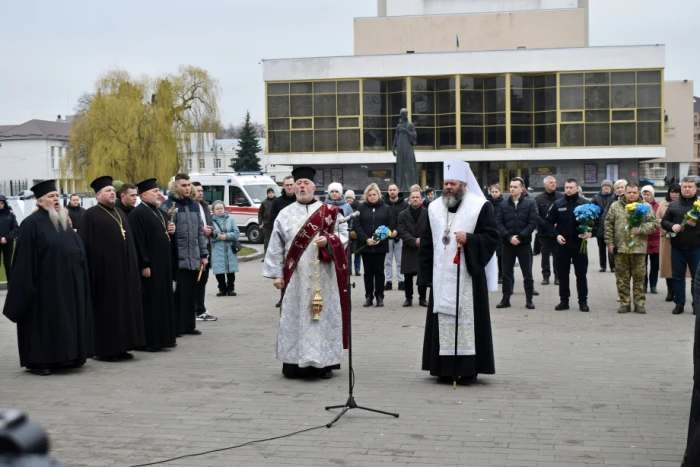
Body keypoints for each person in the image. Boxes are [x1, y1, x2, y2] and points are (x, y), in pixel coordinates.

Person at [263, 166, 349, 379]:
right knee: (296, 317)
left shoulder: (329, 212)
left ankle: (323, 363)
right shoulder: (285, 213)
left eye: (306, 184)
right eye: (298, 183)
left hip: (324, 277)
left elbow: (343, 235)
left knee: (321, 318)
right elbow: (275, 245)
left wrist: (329, 241)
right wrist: (277, 274)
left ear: (314, 187)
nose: (302, 187)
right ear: (294, 187)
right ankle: (293, 363)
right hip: (296, 278)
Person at [2, 180, 93, 375]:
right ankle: (40, 361)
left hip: (68, 285)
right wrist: (29, 287)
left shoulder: (61, 222)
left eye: (57, 196)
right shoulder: (31, 225)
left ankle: (67, 357)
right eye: (51, 197)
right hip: (44, 289)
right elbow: (24, 261)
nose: (56, 200)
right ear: (40, 202)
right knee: (45, 325)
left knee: (66, 323)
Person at [419, 160, 498, 384]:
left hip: (468, 278)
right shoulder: (434, 208)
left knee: (469, 322)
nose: (448, 187)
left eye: (453, 183)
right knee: (441, 321)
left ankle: (468, 369)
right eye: (446, 183)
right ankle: (443, 369)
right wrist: (424, 276)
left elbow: (492, 237)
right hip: (441, 276)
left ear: (464, 185)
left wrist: (471, 239)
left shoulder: (480, 206)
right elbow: (426, 242)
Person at [78, 175, 144, 361]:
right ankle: (107, 350)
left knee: (124, 311)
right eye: (108, 191)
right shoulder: (90, 215)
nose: (112, 194)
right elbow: (85, 246)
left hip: (125, 274)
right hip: (104, 276)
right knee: (109, 312)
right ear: (98, 195)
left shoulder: (120, 213)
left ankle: (123, 346)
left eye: (113, 191)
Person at [128, 178, 178, 351]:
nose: (158, 194)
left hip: (163, 266)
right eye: (155, 191)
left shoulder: (160, 212)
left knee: (164, 302)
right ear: (144, 195)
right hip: (151, 268)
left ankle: (165, 338)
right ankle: (150, 341)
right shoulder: (137, 214)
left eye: (158, 190)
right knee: (151, 303)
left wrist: (172, 232)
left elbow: (165, 237)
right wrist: (144, 264)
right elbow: (138, 242)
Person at [162, 174, 209, 334]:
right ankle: (177, 326)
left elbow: (199, 233)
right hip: (178, 258)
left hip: (194, 258)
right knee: (179, 294)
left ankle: (190, 325)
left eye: (189, 185)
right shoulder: (169, 205)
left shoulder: (195, 206)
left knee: (191, 293)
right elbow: (165, 233)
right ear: (175, 187)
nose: (187, 188)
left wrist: (203, 254)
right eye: (183, 185)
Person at [604, 182, 659, 314]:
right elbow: (608, 224)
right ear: (625, 192)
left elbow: (654, 223)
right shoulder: (615, 206)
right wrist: (610, 243)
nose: (632, 195)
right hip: (621, 248)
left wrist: (641, 229)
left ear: (638, 192)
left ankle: (639, 303)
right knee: (622, 278)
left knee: (639, 278)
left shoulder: (645, 207)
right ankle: (625, 303)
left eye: (634, 192)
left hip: (638, 249)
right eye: (629, 192)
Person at [545, 178, 591, 312]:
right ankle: (563, 301)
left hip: (579, 244)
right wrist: (556, 235)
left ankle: (583, 301)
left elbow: (597, 222)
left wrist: (590, 232)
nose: (568, 190)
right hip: (562, 245)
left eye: (571, 187)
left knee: (581, 274)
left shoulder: (584, 204)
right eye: (566, 187)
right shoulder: (558, 204)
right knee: (563, 275)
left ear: (577, 188)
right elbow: (548, 222)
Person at [495, 177, 537, 310]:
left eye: (515, 187)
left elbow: (532, 223)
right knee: (506, 274)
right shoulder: (503, 204)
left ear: (522, 188)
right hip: (507, 244)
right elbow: (499, 223)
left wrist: (520, 236)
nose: (512, 189)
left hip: (523, 244)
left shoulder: (529, 204)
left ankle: (529, 300)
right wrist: (508, 237)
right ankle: (505, 299)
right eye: (511, 186)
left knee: (527, 274)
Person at [661, 176, 700, 315]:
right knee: (677, 277)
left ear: (696, 188)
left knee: (697, 279)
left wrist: (697, 225)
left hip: (696, 248)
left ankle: (697, 305)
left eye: (690, 187)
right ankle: (679, 304)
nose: (687, 189)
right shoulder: (674, 205)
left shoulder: (699, 204)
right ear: (681, 188)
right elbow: (664, 222)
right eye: (685, 187)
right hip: (677, 247)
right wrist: (672, 226)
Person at [355, 183, 397, 307]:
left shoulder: (386, 208)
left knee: (379, 271)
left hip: (380, 246)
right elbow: (357, 225)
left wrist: (380, 238)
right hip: (366, 245)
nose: (372, 197)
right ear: (366, 196)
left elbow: (391, 225)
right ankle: (368, 296)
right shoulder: (361, 208)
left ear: (379, 195)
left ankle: (379, 296)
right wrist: (366, 239)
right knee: (368, 272)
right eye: (370, 195)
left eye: (375, 194)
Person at [266, 175, 296, 308]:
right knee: (283, 270)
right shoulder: (277, 202)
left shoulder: (300, 200)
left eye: (291, 184)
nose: (289, 187)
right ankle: (283, 296)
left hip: (300, 239)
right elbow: (272, 220)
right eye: (287, 185)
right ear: (283, 186)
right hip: (284, 240)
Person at [398, 189, 428, 307]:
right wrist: (413, 240)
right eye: (413, 197)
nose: (415, 199)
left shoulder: (428, 213)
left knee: (422, 273)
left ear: (421, 200)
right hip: (408, 247)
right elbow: (401, 230)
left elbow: (430, 230)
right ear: (409, 199)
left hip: (423, 247)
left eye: (417, 197)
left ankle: (423, 298)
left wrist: (422, 240)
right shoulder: (402, 214)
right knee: (408, 274)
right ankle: (408, 298)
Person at [192, 182, 216, 322]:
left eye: (202, 191)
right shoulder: (189, 206)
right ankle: (197, 310)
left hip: (206, 248)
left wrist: (211, 231)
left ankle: (200, 308)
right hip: (194, 250)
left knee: (203, 280)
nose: (200, 193)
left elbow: (210, 224)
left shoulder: (205, 206)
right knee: (196, 281)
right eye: (198, 191)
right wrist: (202, 231)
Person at [535, 176, 564, 286]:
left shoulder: (561, 197)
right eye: (551, 182)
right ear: (545, 185)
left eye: (554, 182)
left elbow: (563, 213)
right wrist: (548, 225)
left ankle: (557, 276)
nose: (553, 184)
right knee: (545, 255)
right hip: (544, 232)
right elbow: (537, 215)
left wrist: (558, 224)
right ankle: (546, 276)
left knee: (557, 254)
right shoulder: (538, 198)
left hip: (557, 232)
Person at [658, 183, 683, 302]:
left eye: (676, 192)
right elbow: (657, 219)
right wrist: (667, 227)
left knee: (679, 266)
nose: (673, 194)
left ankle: (679, 292)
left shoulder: (685, 205)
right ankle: (670, 291)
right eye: (671, 192)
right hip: (667, 238)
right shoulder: (663, 204)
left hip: (682, 238)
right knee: (668, 266)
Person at [210, 200, 240, 297]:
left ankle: (231, 288)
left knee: (231, 270)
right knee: (219, 271)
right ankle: (222, 289)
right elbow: (209, 236)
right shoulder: (210, 221)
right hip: (217, 250)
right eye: (217, 209)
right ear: (213, 210)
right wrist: (219, 237)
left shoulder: (230, 219)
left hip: (229, 250)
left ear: (224, 209)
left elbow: (236, 233)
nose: (220, 210)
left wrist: (227, 236)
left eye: (221, 208)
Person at [383, 183, 408, 291]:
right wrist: (388, 231)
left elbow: (405, 220)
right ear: (388, 191)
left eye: (394, 189)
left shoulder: (404, 204)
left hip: (400, 236)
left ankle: (401, 281)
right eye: (390, 190)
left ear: (398, 191)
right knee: (387, 261)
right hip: (387, 236)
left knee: (400, 260)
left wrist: (397, 230)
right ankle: (388, 281)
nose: (392, 192)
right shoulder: (383, 203)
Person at [602, 179, 628, 274]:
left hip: (628, 232)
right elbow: (606, 215)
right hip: (614, 230)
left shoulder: (631, 199)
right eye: (618, 188)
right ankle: (613, 266)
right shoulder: (612, 200)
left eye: (622, 187)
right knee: (612, 249)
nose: (620, 189)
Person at [641, 185, 661, 294]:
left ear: (652, 195)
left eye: (648, 194)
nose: (646, 196)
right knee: (642, 265)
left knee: (655, 266)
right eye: (644, 194)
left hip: (656, 239)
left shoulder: (657, 206)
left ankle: (653, 285)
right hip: (643, 239)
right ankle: (643, 284)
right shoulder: (639, 206)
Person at [591, 180, 614, 272]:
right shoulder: (596, 197)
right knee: (601, 247)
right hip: (600, 225)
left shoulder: (613, 196)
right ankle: (603, 266)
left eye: (608, 186)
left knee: (611, 247)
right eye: (604, 185)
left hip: (611, 225)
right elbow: (592, 209)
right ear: (601, 187)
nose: (606, 187)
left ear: (611, 187)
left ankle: (613, 266)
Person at [0, 195, 19, 283]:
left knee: (8, 264)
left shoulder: (11, 215)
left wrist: (7, 238)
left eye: (1, 203)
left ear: (4, 204)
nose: (0, 205)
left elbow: (15, 228)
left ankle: (10, 284)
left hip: (8, 243)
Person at [488, 185, 504, 284]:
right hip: (489, 232)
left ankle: (501, 275)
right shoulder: (486, 203)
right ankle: (489, 275)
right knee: (489, 255)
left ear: (500, 192)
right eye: (492, 192)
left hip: (500, 233)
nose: (494, 193)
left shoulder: (504, 203)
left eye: (496, 192)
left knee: (501, 256)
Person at [345, 190, 362, 276]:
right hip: (347, 232)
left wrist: (356, 231)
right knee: (348, 253)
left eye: (350, 197)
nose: (348, 199)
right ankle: (349, 269)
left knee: (357, 252)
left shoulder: (359, 206)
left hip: (357, 232)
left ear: (353, 198)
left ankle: (357, 269)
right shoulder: (344, 206)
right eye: (347, 197)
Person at [259, 187, 276, 255]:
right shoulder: (264, 202)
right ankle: (266, 255)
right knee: (267, 241)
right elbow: (260, 213)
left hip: (275, 224)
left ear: (274, 193)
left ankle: (275, 255)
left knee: (276, 241)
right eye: (269, 193)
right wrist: (260, 223)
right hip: (266, 224)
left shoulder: (277, 201)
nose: (271, 194)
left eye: (272, 193)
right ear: (267, 194)